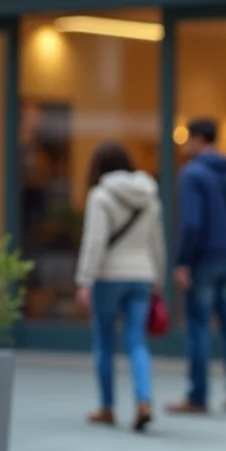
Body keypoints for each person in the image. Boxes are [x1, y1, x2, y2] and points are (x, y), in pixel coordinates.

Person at [166, 117, 226, 415]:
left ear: (197, 139)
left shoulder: (192, 175)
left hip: (204, 259)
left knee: (198, 326)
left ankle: (197, 396)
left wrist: (182, 262)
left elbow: (191, 223)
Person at [74, 141, 165, 432]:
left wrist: (85, 279)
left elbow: (95, 241)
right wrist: (158, 280)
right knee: (137, 341)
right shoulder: (150, 196)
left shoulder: (100, 196)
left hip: (108, 277)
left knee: (104, 342)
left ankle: (107, 407)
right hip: (141, 276)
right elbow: (157, 243)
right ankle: (144, 401)